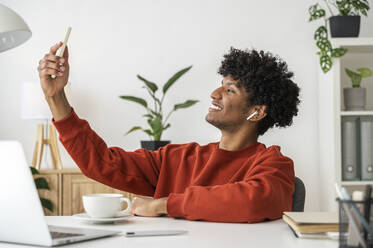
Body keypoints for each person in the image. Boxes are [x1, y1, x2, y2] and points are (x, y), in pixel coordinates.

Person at [37, 42, 300, 223]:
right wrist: (56, 97)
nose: (214, 94)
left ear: (257, 111)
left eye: (229, 90)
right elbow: (101, 163)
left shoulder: (274, 165)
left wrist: (163, 205)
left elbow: (253, 201)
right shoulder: (178, 159)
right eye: (220, 85)